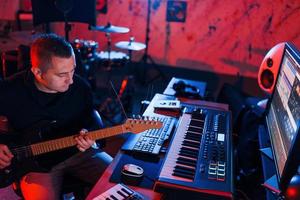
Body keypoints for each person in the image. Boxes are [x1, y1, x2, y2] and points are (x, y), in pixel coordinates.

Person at [0, 33, 113, 199]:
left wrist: (90, 137)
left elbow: (91, 118)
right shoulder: (10, 90)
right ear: (38, 72)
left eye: (72, 71)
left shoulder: (80, 87)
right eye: (62, 75)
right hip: (35, 165)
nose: (71, 80)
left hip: (77, 153)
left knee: (123, 182)